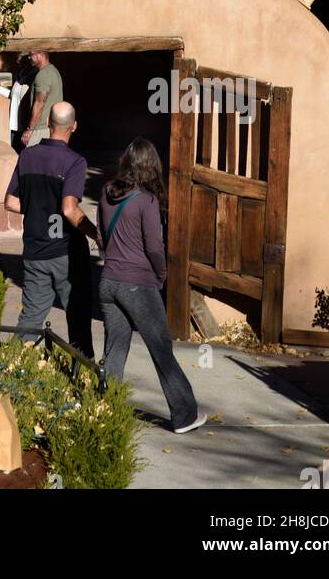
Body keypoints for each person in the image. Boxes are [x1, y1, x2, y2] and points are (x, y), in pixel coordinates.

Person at [97, 138, 207, 435]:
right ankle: (185, 415)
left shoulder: (106, 192)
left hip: (108, 282)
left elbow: (101, 237)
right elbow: (155, 249)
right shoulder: (147, 201)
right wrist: (161, 277)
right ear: (151, 166)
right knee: (161, 350)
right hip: (138, 284)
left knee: (115, 348)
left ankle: (106, 408)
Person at [4, 101, 96, 357]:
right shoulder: (75, 162)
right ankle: (84, 377)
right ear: (74, 126)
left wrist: (38, 210)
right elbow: (69, 209)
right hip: (66, 254)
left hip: (34, 251)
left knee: (30, 319)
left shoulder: (27, 155)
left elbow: (10, 202)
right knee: (77, 319)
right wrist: (96, 234)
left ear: (48, 124)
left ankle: (13, 367)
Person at [21, 50, 62, 147]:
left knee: (33, 160)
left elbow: (40, 102)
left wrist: (30, 129)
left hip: (40, 129)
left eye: (31, 54)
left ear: (41, 54)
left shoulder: (43, 75)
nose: (29, 57)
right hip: (50, 127)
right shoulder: (53, 70)